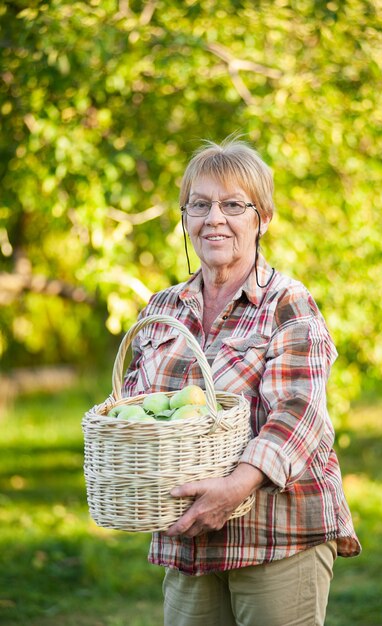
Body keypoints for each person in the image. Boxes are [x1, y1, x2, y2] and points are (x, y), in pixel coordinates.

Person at [122, 136, 361, 626]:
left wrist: (234, 488)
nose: (214, 218)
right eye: (200, 204)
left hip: (275, 530)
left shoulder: (287, 303)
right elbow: (133, 406)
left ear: (263, 218)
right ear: (185, 217)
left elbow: (299, 410)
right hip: (187, 533)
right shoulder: (163, 309)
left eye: (233, 204)